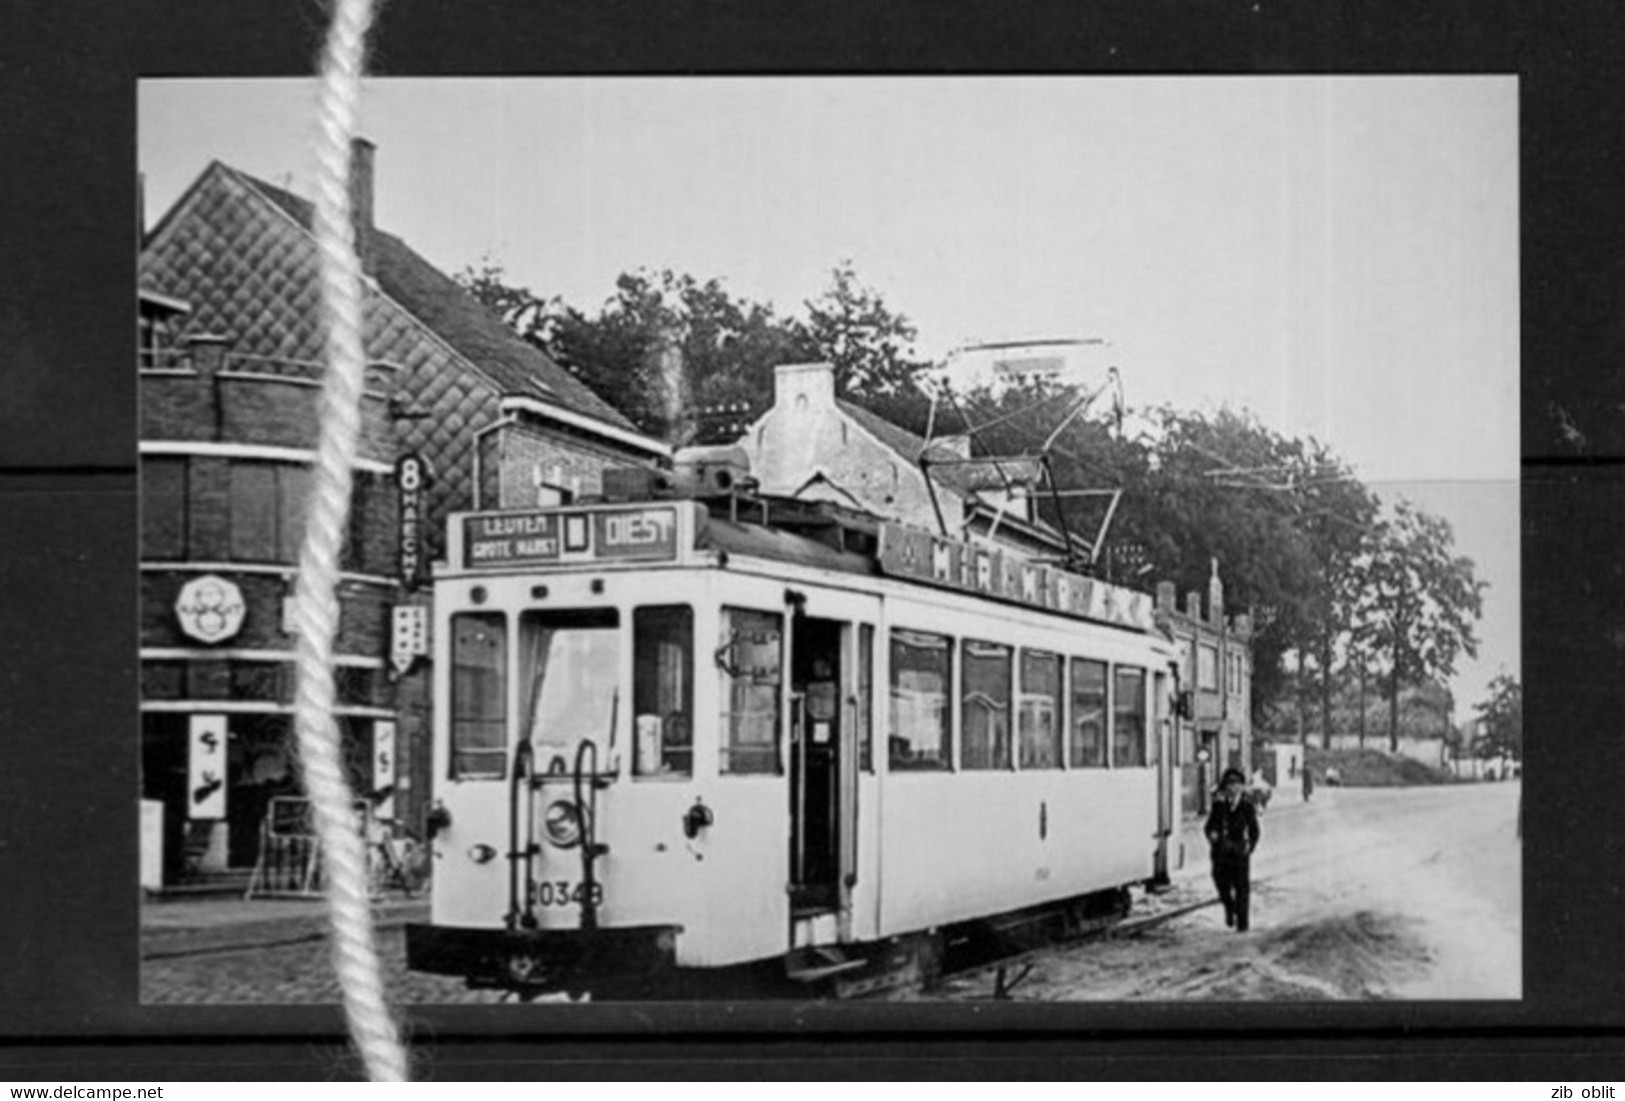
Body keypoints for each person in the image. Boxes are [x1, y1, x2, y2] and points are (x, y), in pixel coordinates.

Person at [1205, 767, 1261, 932]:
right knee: (1221, 883)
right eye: (1229, 784)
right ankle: (1230, 907)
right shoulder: (1218, 806)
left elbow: (1254, 831)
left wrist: (1250, 846)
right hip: (1221, 854)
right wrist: (1212, 834)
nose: (1233, 788)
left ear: (1242, 787)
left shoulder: (1247, 807)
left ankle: (1242, 924)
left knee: (1242, 888)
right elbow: (1208, 826)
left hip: (1239, 853)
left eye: (1236, 784)